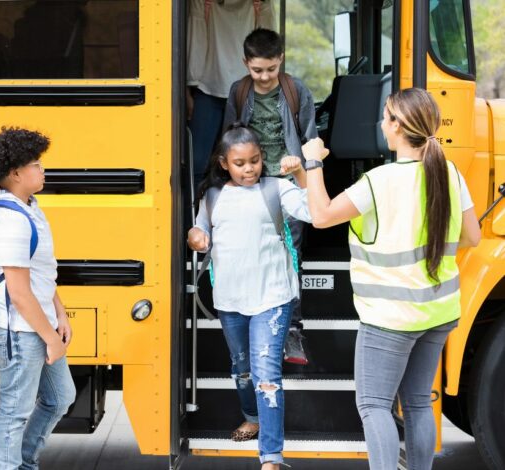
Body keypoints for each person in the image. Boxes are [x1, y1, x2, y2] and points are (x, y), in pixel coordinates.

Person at [302, 88, 481, 470]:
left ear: (399, 126)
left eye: (386, 117)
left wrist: (313, 164)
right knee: (417, 401)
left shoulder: (378, 182)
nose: (382, 123)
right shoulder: (449, 173)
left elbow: (321, 216)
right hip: (437, 310)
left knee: (374, 405)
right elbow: (471, 237)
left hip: (391, 318)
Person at [188, 123, 309, 470]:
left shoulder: (276, 189)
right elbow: (200, 230)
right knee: (242, 371)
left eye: (255, 160)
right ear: (224, 163)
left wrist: (302, 172)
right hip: (230, 299)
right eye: (240, 163)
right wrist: (194, 236)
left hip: (273, 298)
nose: (249, 168)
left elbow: (313, 211)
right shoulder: (212, 196)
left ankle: (271, 457)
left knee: (266, 375)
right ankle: (251, 417)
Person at [0, 127, 76, 470]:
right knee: (15, 411)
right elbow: (18, 292)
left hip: (39, 322)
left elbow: (41, 271)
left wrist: (59, 313)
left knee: (61, 397)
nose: (42, 169)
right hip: (19, 329)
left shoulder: (29, 206)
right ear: (15, 173)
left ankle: (25, 463)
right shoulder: (9, 219)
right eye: (36, 163)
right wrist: (51, 339)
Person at [222, 27, 317, 365]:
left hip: (286, 183)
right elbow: (230, 138)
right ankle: (254, 321)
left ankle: (291, 330)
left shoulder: (296, 91)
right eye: (257, 70)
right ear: (246, 63)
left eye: (271, 69)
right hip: (251, 185)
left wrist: (304, 169)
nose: (264, 77)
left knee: (289, 258)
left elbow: (310, 140)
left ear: (281, 61)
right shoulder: (239, 92)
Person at [187, 0, 275, 185]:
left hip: (233, 91)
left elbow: (196, 47)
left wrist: (190, 84)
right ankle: (198, 210)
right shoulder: (258, 5)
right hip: (213, 89)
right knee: (204, 162)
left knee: (233, 162)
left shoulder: (259, 4)